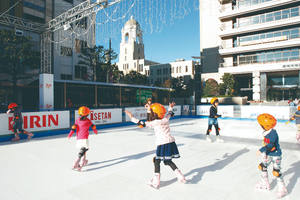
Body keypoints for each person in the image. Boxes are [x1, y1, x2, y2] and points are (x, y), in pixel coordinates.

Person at [125, 102, 186, 189]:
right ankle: (181, 177)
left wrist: (132, 118)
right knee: (168, 161)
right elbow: (170, 113)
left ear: (155, 113)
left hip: (162, 144)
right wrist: (170, 107)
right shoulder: (165, 119)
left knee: (156, 161)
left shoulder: (155, 122)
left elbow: (142, 124)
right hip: (170, 142)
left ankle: (156, 181)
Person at [255, 113, 287, 198]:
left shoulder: (273, 133)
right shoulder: (266, 132)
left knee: (276, 172)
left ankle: (282, 188)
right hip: (268, 154)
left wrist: (261, 150)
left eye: (261, 125)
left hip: (275, 155)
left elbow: (271, 145)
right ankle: (265, 183)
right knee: (262, 166)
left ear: (265, 125)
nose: (260, 126)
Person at [68, 106, 98, 171]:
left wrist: (69, 135)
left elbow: (73, 127)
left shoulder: (78, 120)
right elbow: (93, 127)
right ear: (87, 114)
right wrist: (96, 132)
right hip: (84, 137)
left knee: (85, 148)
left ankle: (83, 161)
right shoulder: (88, 121)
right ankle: (75, 163)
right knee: (84, 149)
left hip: (79, 137)